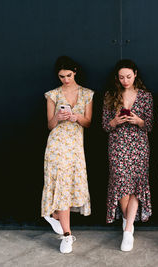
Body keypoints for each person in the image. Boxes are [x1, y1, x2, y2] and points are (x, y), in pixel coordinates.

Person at [41, 56, 94, 254]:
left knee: (70, 187)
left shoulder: (87, 94)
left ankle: (55, 215)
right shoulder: (52, 95)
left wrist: (77, 117)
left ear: (75, 72)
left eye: (68, 75)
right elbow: (49, 125)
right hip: (56, 146)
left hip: (75, 148)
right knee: (61, 186)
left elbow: (88, 123)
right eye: (62, 76)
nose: (65, 79)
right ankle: (66, 235)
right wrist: (58, 116)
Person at [102, 59, 153, 252]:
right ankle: (127, 219)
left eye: (129, 77)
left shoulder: (146, 97)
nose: (125, 80)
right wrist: (115, 121)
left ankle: (128, 229)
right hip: (117, 145)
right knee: (120, 183)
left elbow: (149, 125)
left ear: (136, 74)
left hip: (139, 145)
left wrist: (138, 120)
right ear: (117, 77)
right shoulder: (110, 95)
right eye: (121, 77)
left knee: (136, 185)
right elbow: (105, 126)